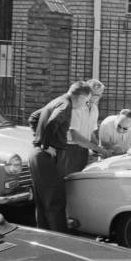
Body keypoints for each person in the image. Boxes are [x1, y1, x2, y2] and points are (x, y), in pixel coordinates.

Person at [28, 81, 92, 233]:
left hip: (38, 156)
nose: (86, 105)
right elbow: (52, 122)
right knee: (55, 202)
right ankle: (61, 240)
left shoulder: (57, 100)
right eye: (87, 101)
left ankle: (44, 237)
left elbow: (33, 118)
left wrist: (39, 140)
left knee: (44, 203)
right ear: (81, 97)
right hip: (47, 157)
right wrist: (45, 145)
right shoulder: (65, 105)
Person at [64, 78, 107, 174]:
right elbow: (75, 136)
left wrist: (98, 148)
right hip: (69, 148)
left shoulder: (94, 109)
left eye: (99, 95)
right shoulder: (76, 107)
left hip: (83, 149)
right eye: (94, 94)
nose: (96, 98)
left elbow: (90, 131)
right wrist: (97, 149)